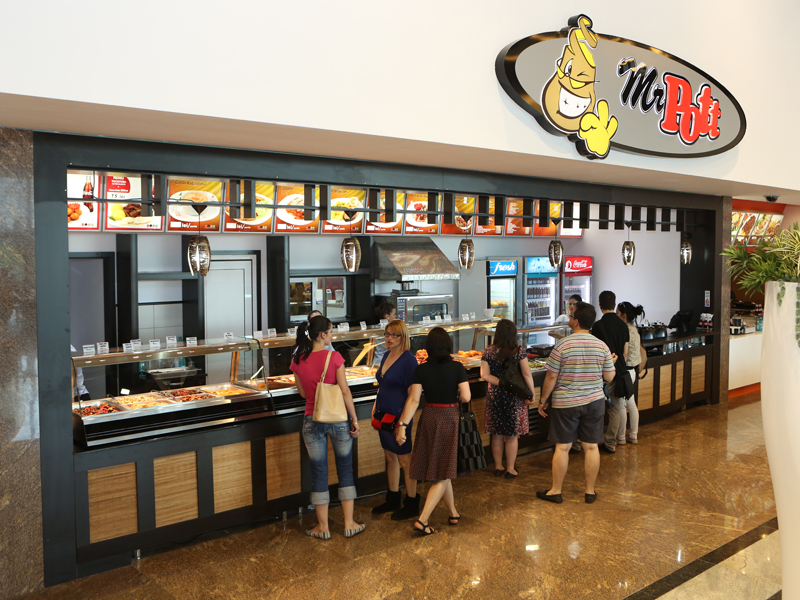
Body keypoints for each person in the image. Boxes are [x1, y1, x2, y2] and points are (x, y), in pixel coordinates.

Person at [290, 315, 365, 540]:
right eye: (330, 332)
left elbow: (302, 393)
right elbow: (345, 392)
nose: (331, 336)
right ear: (322, 335)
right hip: (338, 420)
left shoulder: (297, 360)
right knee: (345, 469)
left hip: (312, 419)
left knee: (319, 472)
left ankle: (323, 527)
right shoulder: (334, 357)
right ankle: (349, 524)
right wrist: (354, 419)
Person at [536, 302, 616, 504]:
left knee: (562, 447)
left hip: (566, 402)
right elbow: (609, 377)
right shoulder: (602, 346)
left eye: (571, 316)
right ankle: (590, 491)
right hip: (594, 401)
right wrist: (610, 364)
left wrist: (543, 400)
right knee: (591, 447)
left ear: (577, 321)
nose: (569, 319)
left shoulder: (562, 345)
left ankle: (556, 491)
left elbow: (551, 377)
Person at [395, 327, 470, 535]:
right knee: (443, 472)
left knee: (443, 468)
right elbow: (466, 397)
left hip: (429, 416)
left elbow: (413, 400)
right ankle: (423, 520)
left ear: (428, 347)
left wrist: (402, 425)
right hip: (449, 417)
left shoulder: (421, 370)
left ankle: (453, 512)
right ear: (448, 345)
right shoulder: (457, 367)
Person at [370, 320, 420, 520]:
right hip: (383, 415)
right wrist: (375, 406)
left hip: (399, 417)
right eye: (387, 334)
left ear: (402, 337)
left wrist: (403, 424)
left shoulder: (409, 360)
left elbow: (412, 395)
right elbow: (381, 386)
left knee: (405, 460)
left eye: (393, 335)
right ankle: (392, 498)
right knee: (390, 456)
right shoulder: (386, 355)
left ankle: (412, 502)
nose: (389, 338)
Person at [480, 319, 536, 479]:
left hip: (495, 396)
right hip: (514, 397)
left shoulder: (488, 352)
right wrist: (531, 394)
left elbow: (484, 375)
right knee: (512, 435)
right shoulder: (519, 351)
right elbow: (527, 374)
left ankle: (498, 466)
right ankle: (510, 469)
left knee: (497, 433)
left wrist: (500, 383)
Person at [591, 290, 631, 454]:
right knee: (615, 409)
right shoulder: (623, 325)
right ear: (614, 305)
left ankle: (592, 442)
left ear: (600, 305)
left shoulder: (597, 326)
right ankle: (610, 443)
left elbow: (595, 351)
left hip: (602, 374)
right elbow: (625, 353)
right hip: (619, 373)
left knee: (596, 409)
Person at [616, 301, 644, 445]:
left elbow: (624, 354)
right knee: (631, 403)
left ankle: (621, 437)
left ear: (624, 315)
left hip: (624, 371)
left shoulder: (624, 330)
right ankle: (633, 435)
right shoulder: (634, 330)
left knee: (622, 404)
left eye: (617, 313)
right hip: (632, 371)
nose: (616, 316)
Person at [371, 301, 397, 366]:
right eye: (394, 314)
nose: (396, 316)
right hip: (386, 361)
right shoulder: (390, 329)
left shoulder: (376, 328)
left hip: (377, 360)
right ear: (387, 316)